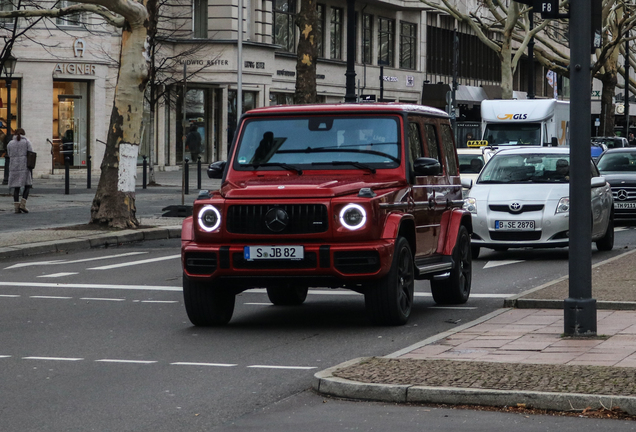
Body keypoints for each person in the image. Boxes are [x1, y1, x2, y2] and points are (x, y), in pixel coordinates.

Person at [7, 128, 33, 214]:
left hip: (14, 167)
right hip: (24, 166)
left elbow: (9, 154)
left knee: (16, 187)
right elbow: (31, 153)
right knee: (27, 185)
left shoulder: (10, 143)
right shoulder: (26, 142)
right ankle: (23, 204)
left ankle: (16, 208)